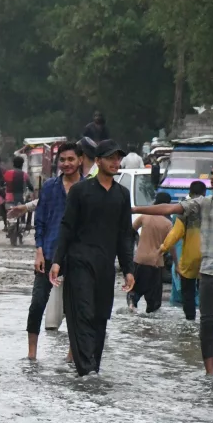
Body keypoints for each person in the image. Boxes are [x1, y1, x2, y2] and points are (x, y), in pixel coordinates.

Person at [134, 158, 213, 377]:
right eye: (211, 173)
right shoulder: (202, 204)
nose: (211, 177)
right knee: (207, 322)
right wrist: (135, 208)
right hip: (209, 270)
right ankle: (210, 373)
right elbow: (170, 207)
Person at [49, 140, 135, 377]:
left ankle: (92, 369)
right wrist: (57, 260)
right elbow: (67, 226)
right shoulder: (81, 191)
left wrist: (128, 269)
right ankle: (86, 370)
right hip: (79, 262)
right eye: (110, 158)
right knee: (83, 314)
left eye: (118, 158)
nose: (115, 162)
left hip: (105, 266)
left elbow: (124, 235)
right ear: (98, 161)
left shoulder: (121, 195)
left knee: (100, 317)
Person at [27, 143, 82, 359]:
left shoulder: (87, 188)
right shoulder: (50, 186)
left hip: (77, 255)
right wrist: (39, 251)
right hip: (49, 251)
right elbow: (39, 220)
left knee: (75, 306)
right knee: (37, 303)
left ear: (80, 160)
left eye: (71, 159)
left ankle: (71, 353)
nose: (66, 164)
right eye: (63, 160)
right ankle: (32, 353)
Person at [159, 181, 206, 321]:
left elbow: (175, 233)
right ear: (204, 193)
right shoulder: (212, 208)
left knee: (188, 292)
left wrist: (163, 248)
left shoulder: (184, 210)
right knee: (207, 290)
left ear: (190, 194)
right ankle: (206, 317)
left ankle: (190, 320)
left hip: (189, 258)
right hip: (209, 258)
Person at [128, 192, 173, 313]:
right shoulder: (168, 224)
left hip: (140, 259)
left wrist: (137, 243)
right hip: (156, 263)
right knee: (154, 302)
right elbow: (171, 245)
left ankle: (132, 305)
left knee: (134, 289)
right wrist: (177, 263)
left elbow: (130, 231)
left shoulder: (144, 217)